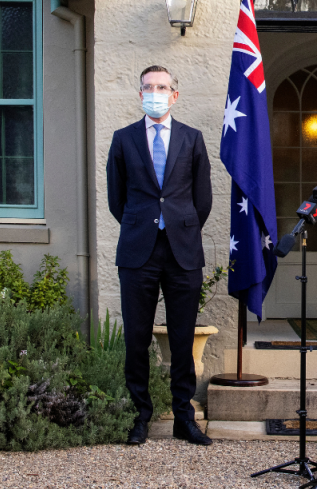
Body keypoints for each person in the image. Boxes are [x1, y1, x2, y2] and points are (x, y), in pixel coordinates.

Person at [107, 65, 214, 446]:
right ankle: (139, 415)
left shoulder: (192, 138)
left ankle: (184, 417)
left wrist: (177, 225)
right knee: (136, 338)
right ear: (140, 94)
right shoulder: (123, 139)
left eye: (162, 86)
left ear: (174, 94)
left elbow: (203, 199)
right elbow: (116, 200)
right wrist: (146, 224)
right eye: (148, 87)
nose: (155, 91)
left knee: (182, 338)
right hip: (138, 252)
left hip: (183, 253)